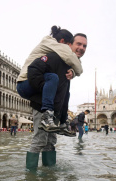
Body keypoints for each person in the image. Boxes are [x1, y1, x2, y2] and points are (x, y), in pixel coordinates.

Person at [25, 33, 88, 169]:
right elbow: (33, 69)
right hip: (42, 106)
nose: (82, 48)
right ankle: (30, 179)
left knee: (51, 142)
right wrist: (42, 88)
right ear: (69, 44)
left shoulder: (70, 66)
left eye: (85, 46)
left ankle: (49, 175)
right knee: (40, 140)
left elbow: (65, 93)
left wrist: (62, 116)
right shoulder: (54, 56)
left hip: (55, 111)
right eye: (78, 44)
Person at [17, 25, 83, 132]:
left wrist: (73, 72)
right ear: (63, 41)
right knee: (53, 77)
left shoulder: (51, 45)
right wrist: (76, 71)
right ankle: (47, 115)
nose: (70, 49)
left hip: (31, 83)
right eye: (70, 46)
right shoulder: (54, 45)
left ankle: (56, 119)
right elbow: (75, 62)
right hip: (26, 82)